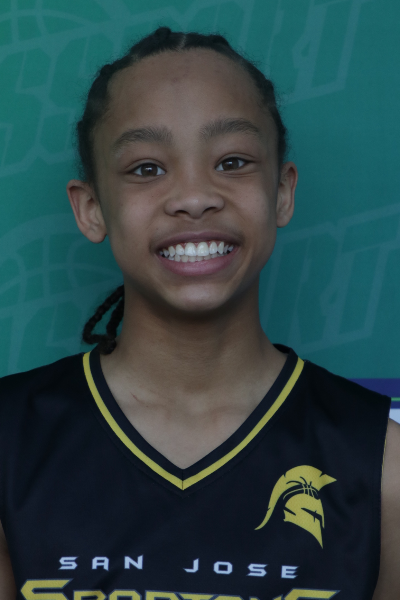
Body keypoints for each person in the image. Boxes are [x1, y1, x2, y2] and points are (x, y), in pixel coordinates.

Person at [0, 27, 399, 600]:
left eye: (232, 161)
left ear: (282, 192)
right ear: (91, 209)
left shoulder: (382, 463)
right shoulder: (11, 440)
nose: (193, 196)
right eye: (146, 168)